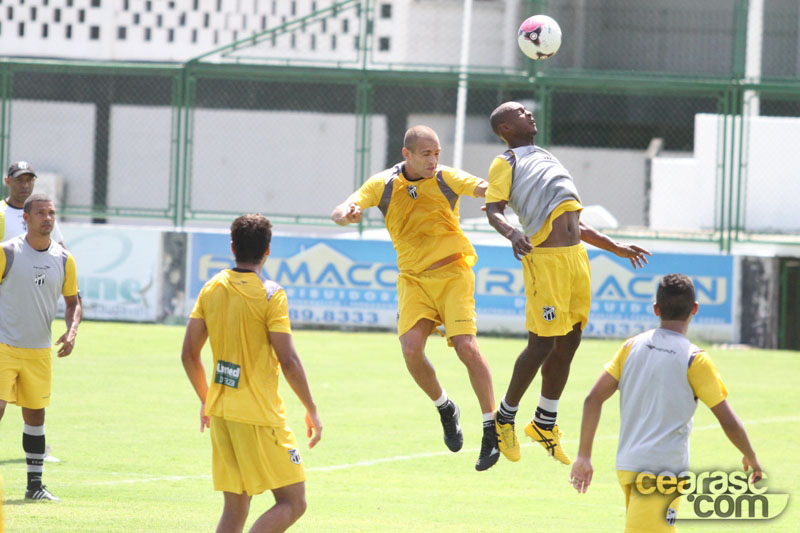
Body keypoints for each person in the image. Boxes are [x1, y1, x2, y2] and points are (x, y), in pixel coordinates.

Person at [485, 101, 652, 465]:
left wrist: (615, 247)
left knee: (571, 339)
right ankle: (504, 417)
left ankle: (544, 422)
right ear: (505, 129)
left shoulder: (547, 157)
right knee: (541, 343)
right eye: (519, 112)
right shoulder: (505, 162)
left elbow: (577, 223)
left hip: (576, 259)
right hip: (546, 262)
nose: (529, 113)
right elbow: (494, 209)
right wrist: (513, 233)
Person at [331, 125, 500, 471]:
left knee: (466, 347)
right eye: (426, 154)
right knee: (410, 349)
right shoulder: (383, 185)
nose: (433, 160)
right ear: (406, 154)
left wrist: (499, 192)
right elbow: (343, 209)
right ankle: (445, 408)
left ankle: (491, 428)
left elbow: (483, 187)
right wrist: (345, 216)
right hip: (413, 280)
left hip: (453, 274)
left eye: (437, 153)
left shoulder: (445, 178)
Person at [569, 274, 762, 531]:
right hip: (662, 473)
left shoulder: (631, 347)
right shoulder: (695, 359)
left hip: (628, 466)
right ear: (695, 309)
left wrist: (584, 455)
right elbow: (728, 420)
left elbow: (593, 399)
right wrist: (751, 456)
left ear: (656, 309)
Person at [181, 214, 322, 533]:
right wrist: (311, 409)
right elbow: (288, 360)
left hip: (222, 412)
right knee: (293, 501)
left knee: (236, 508)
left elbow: (189, 354)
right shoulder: (271, 294)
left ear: (232, 247)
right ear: (268, 250)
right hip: (259, 414)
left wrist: (206, 399)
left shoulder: (212, 287)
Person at [0, 193, 81, 501]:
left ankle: (34, 487)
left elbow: (73, 303)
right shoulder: (8, 252)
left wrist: (71, 331)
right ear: (26, 218)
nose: (48, 218)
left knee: (35, 416)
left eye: (51, 213)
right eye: (41, 213)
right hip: (3, 346)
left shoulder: (64, 259)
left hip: (39, 351)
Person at [1, 161, 66, 247]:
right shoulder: (1, 212)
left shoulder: (43, 212)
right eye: (19, 180)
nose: (25, 185)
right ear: (7, 181)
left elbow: (60, 248)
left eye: (29, 180)